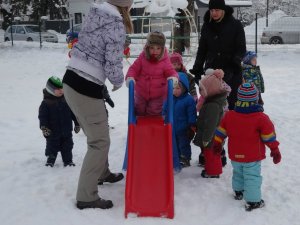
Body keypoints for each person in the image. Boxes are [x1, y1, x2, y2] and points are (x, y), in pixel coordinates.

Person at [62, 0, 134, 210]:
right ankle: (86, 196)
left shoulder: (95, 14)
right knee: (99, 142)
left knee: (99, 133)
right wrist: (119, 81)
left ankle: (102, 172)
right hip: (86, 86)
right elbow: (112, 61)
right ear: (126, 6)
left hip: (72, 80)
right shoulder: (116, 24)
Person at [213, 83, 281, 211]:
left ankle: (238, 192)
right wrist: (275, 150)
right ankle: (253, 201)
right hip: (252, 156)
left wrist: (217, 143)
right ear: (256, 99)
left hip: (235, 155)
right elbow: (269, 137)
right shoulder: (261, 118)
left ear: (239, 99)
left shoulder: (230, 115)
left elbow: (221, 131)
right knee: (252, 177)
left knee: (238, 173)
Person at [189, 0, 246, 110]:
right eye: (211, 10)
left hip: (232, 72)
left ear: (223, 10)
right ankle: (213, 127)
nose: (214, 13)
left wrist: (233, 66)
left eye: (217, 10)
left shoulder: (236, 25)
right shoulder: (207, 26)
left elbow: (241, 49)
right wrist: (197, 69)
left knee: (231, 104)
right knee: (211, 105)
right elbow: (202, 50)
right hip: (212, 71)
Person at [125, 31, 178, 116]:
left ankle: (153, 127)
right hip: (141, 92)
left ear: (162, 49)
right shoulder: (143, 57)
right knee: (139, 109)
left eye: (158, 48)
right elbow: (134, 68)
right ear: (147, 47)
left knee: (154, 111)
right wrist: (130, 77)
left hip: (158, 95)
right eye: (152, 48)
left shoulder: (165, 60)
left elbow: (171, 71)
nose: (155, 51)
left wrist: (173, 78)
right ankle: (139, 126)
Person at [193, 69, 231, 178]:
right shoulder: (214, 102)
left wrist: (206, 138)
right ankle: (211, 169)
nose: (200, 92)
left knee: (211, 155)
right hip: (213, 136)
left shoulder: (213, 105)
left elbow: (211, 124)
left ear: (211, 90)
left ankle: (213, 172)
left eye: (202, 90)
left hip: (212, 137)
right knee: (211, 154)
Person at [38, 76, 80, 167]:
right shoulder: (46, 103)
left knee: (67, 146)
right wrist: (44, 127)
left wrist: (77, 123)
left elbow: (73, 113)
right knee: (52, 147)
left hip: (66, 130)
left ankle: (68, 161)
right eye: (58, 89)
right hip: (53, 132)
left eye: (62, 88)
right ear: (50, 89)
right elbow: (42, 117)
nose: (61, 90)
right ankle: (51, 160)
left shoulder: (67, 100)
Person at [163, 72, 197, 167]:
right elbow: (164, 109)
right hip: (172, 128)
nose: (175, 91)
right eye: (173, 88)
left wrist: (192, 125)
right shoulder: (169, 98)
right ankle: (176, 156)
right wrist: (163, 116)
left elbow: (192, 113)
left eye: (178, 88)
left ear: (184, 88)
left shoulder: (189, 100)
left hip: (183, 129)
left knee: (184, 144)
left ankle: (185, 158)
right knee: (174, 144)